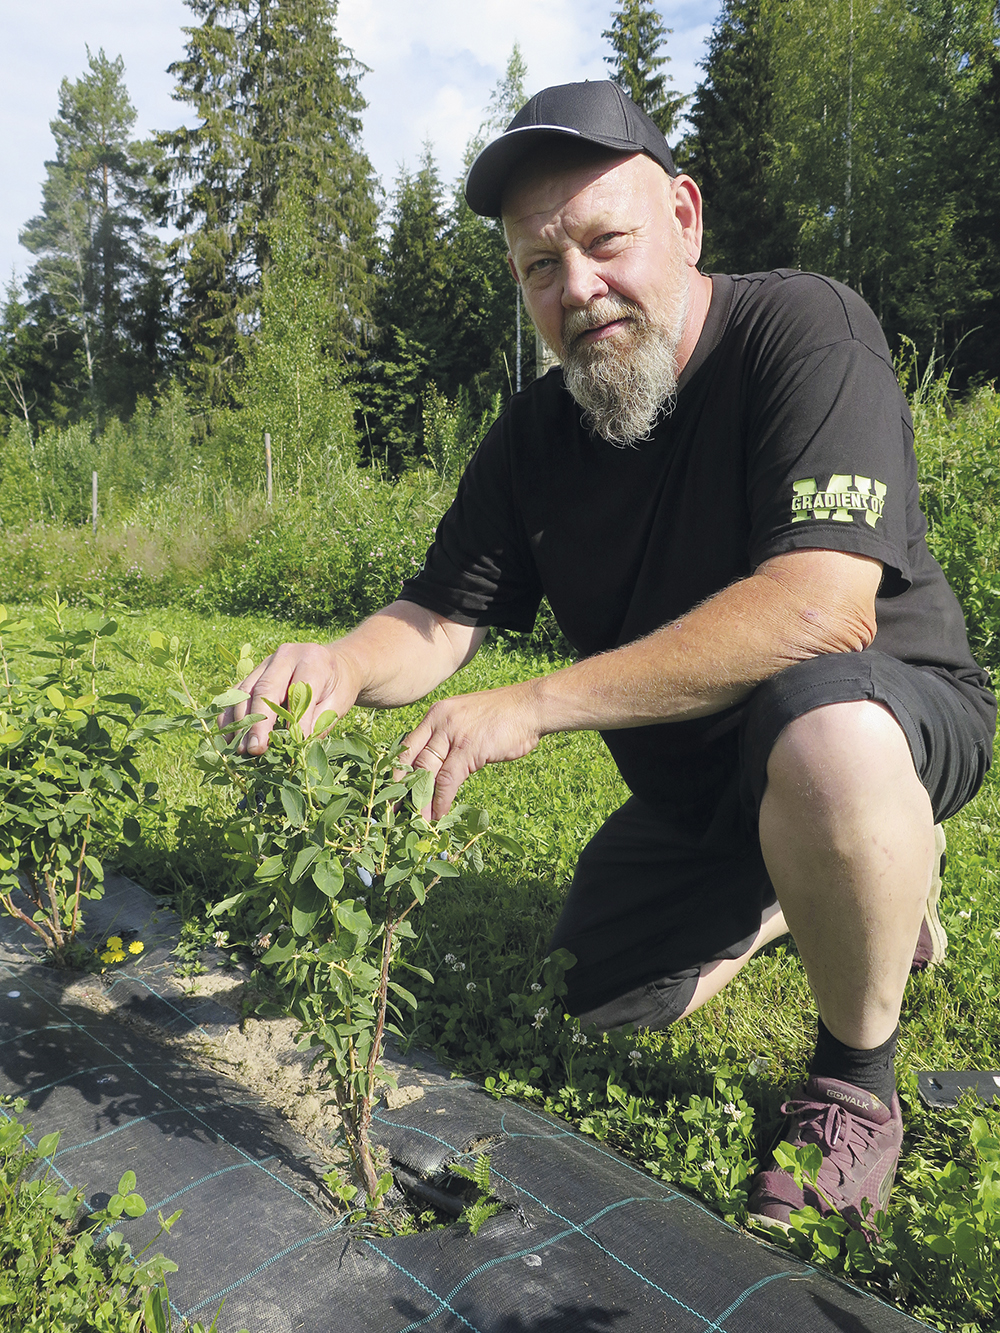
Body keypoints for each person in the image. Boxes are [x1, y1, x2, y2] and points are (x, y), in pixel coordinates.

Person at [221, 82, 995, 1235]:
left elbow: (819, 609)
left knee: (823, 731)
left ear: (684, 216)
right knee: (598, 994)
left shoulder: (803, 332)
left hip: (880, 714)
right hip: (703, 789)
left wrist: (531, 706)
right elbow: (441, 615)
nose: (575, 288)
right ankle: (823, 889)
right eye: (539, 265)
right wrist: (339, 663)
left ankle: (852, 1084)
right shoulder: (538, 435)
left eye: (603, 241)